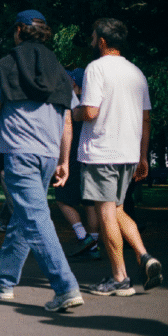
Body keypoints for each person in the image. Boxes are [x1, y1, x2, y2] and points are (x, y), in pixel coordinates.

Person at [0, 9, 83, 312]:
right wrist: (64, 160)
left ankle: (66, 287)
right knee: (25, 216)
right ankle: (4, 281)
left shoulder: (5, 66)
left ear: (19, 30)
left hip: (19, 152)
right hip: (48, 154)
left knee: (35, 218)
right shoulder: (60, 71)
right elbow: (67, 120)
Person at [73, 18, 163, 296]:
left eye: (93, 37)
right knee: (118, 209)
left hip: (102, 152)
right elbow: (146, 119)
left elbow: (90, 111)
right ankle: (145, 256)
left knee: (106, 214)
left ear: (102, 41)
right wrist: (143, 156)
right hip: (128, 153)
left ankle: (120, 278)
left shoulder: (96, 68)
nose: (91, 41)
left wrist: (72, 112)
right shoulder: (136, 73)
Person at [55, 69, 100, 259]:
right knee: (90, 203)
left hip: (72, 157)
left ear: (74, 83)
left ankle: (83, 238)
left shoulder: (68, 105)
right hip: (91, 156)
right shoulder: (93, 105)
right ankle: (94, 245)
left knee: (62, 199)